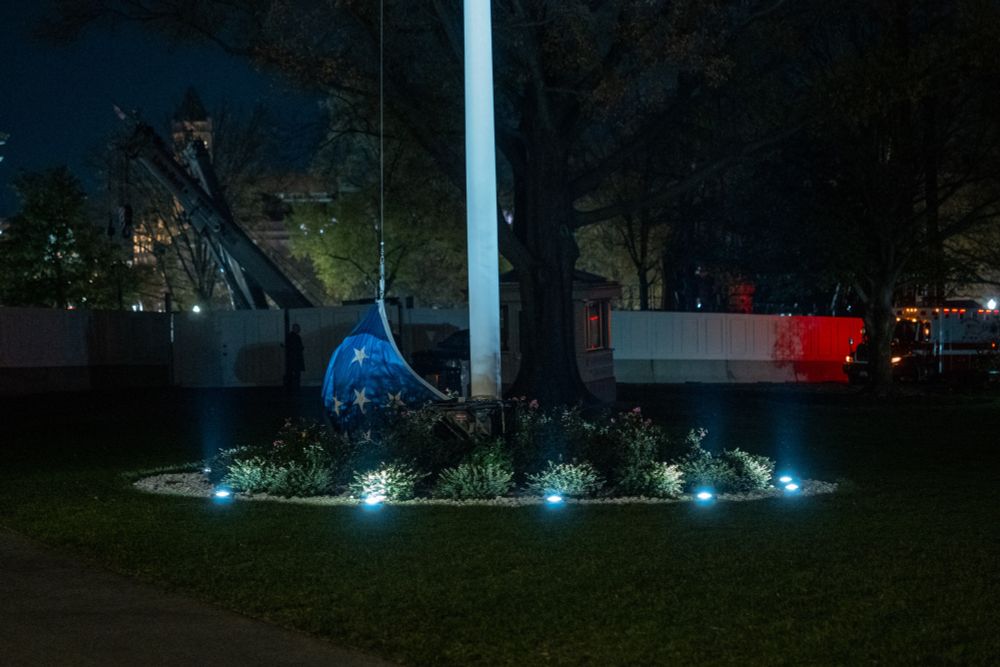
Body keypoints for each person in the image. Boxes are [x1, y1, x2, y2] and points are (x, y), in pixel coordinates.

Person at [284, 323, 305, 393]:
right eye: (297, 328)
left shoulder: (290, 336)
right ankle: (295, 388)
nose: (299, 329)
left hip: (292, 358)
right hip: (295, 358)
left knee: (292, 374)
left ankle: (291, 388)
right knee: (296, 374)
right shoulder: (296, 337)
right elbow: (297, 347)